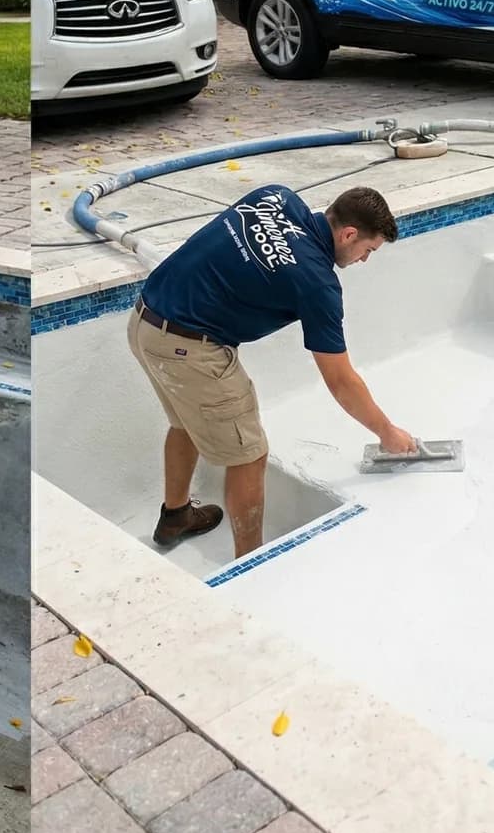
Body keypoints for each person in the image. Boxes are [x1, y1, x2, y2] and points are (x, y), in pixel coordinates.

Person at [126, 182, 416, 560]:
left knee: (186, 422)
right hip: (188, 349)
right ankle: (252, 565)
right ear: (348, 234)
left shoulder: (275, 196)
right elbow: (340, 380)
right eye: (368, 250)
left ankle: (176, 517)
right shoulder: (318, 285)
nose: (364, 260)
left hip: (146, 322)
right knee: (249, 454)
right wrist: (386, 431)